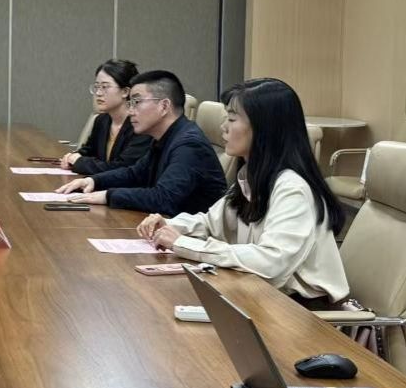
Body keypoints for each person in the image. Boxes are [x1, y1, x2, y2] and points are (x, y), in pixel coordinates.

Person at [135, 78, 349, 305]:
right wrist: (171, 226)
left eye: (231, 119)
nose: (224, 127)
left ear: (264, 128)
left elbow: (270, 263)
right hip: (263, 296)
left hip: (302, 311)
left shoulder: (292, 188)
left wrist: (183, 243)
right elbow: (211, 223)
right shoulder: (253, 177)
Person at [57, 70, 226, 215]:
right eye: (130, 103)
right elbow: (135, 174)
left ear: (164, 106)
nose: (130, 111)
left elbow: (163, 198)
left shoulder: (189, 145)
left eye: (136, 102)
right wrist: (94, 181)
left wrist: (108, 196)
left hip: (191, 236)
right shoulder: (165, 137)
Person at [60, 59, 152, 175]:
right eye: (97, 87)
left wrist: (80, 162)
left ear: (125, 91)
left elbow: (122, 168)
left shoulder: (141, 125)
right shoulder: (102, 120)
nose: (98, 93)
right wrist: (72, 157)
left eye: (105, 87)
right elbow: (89, 151)